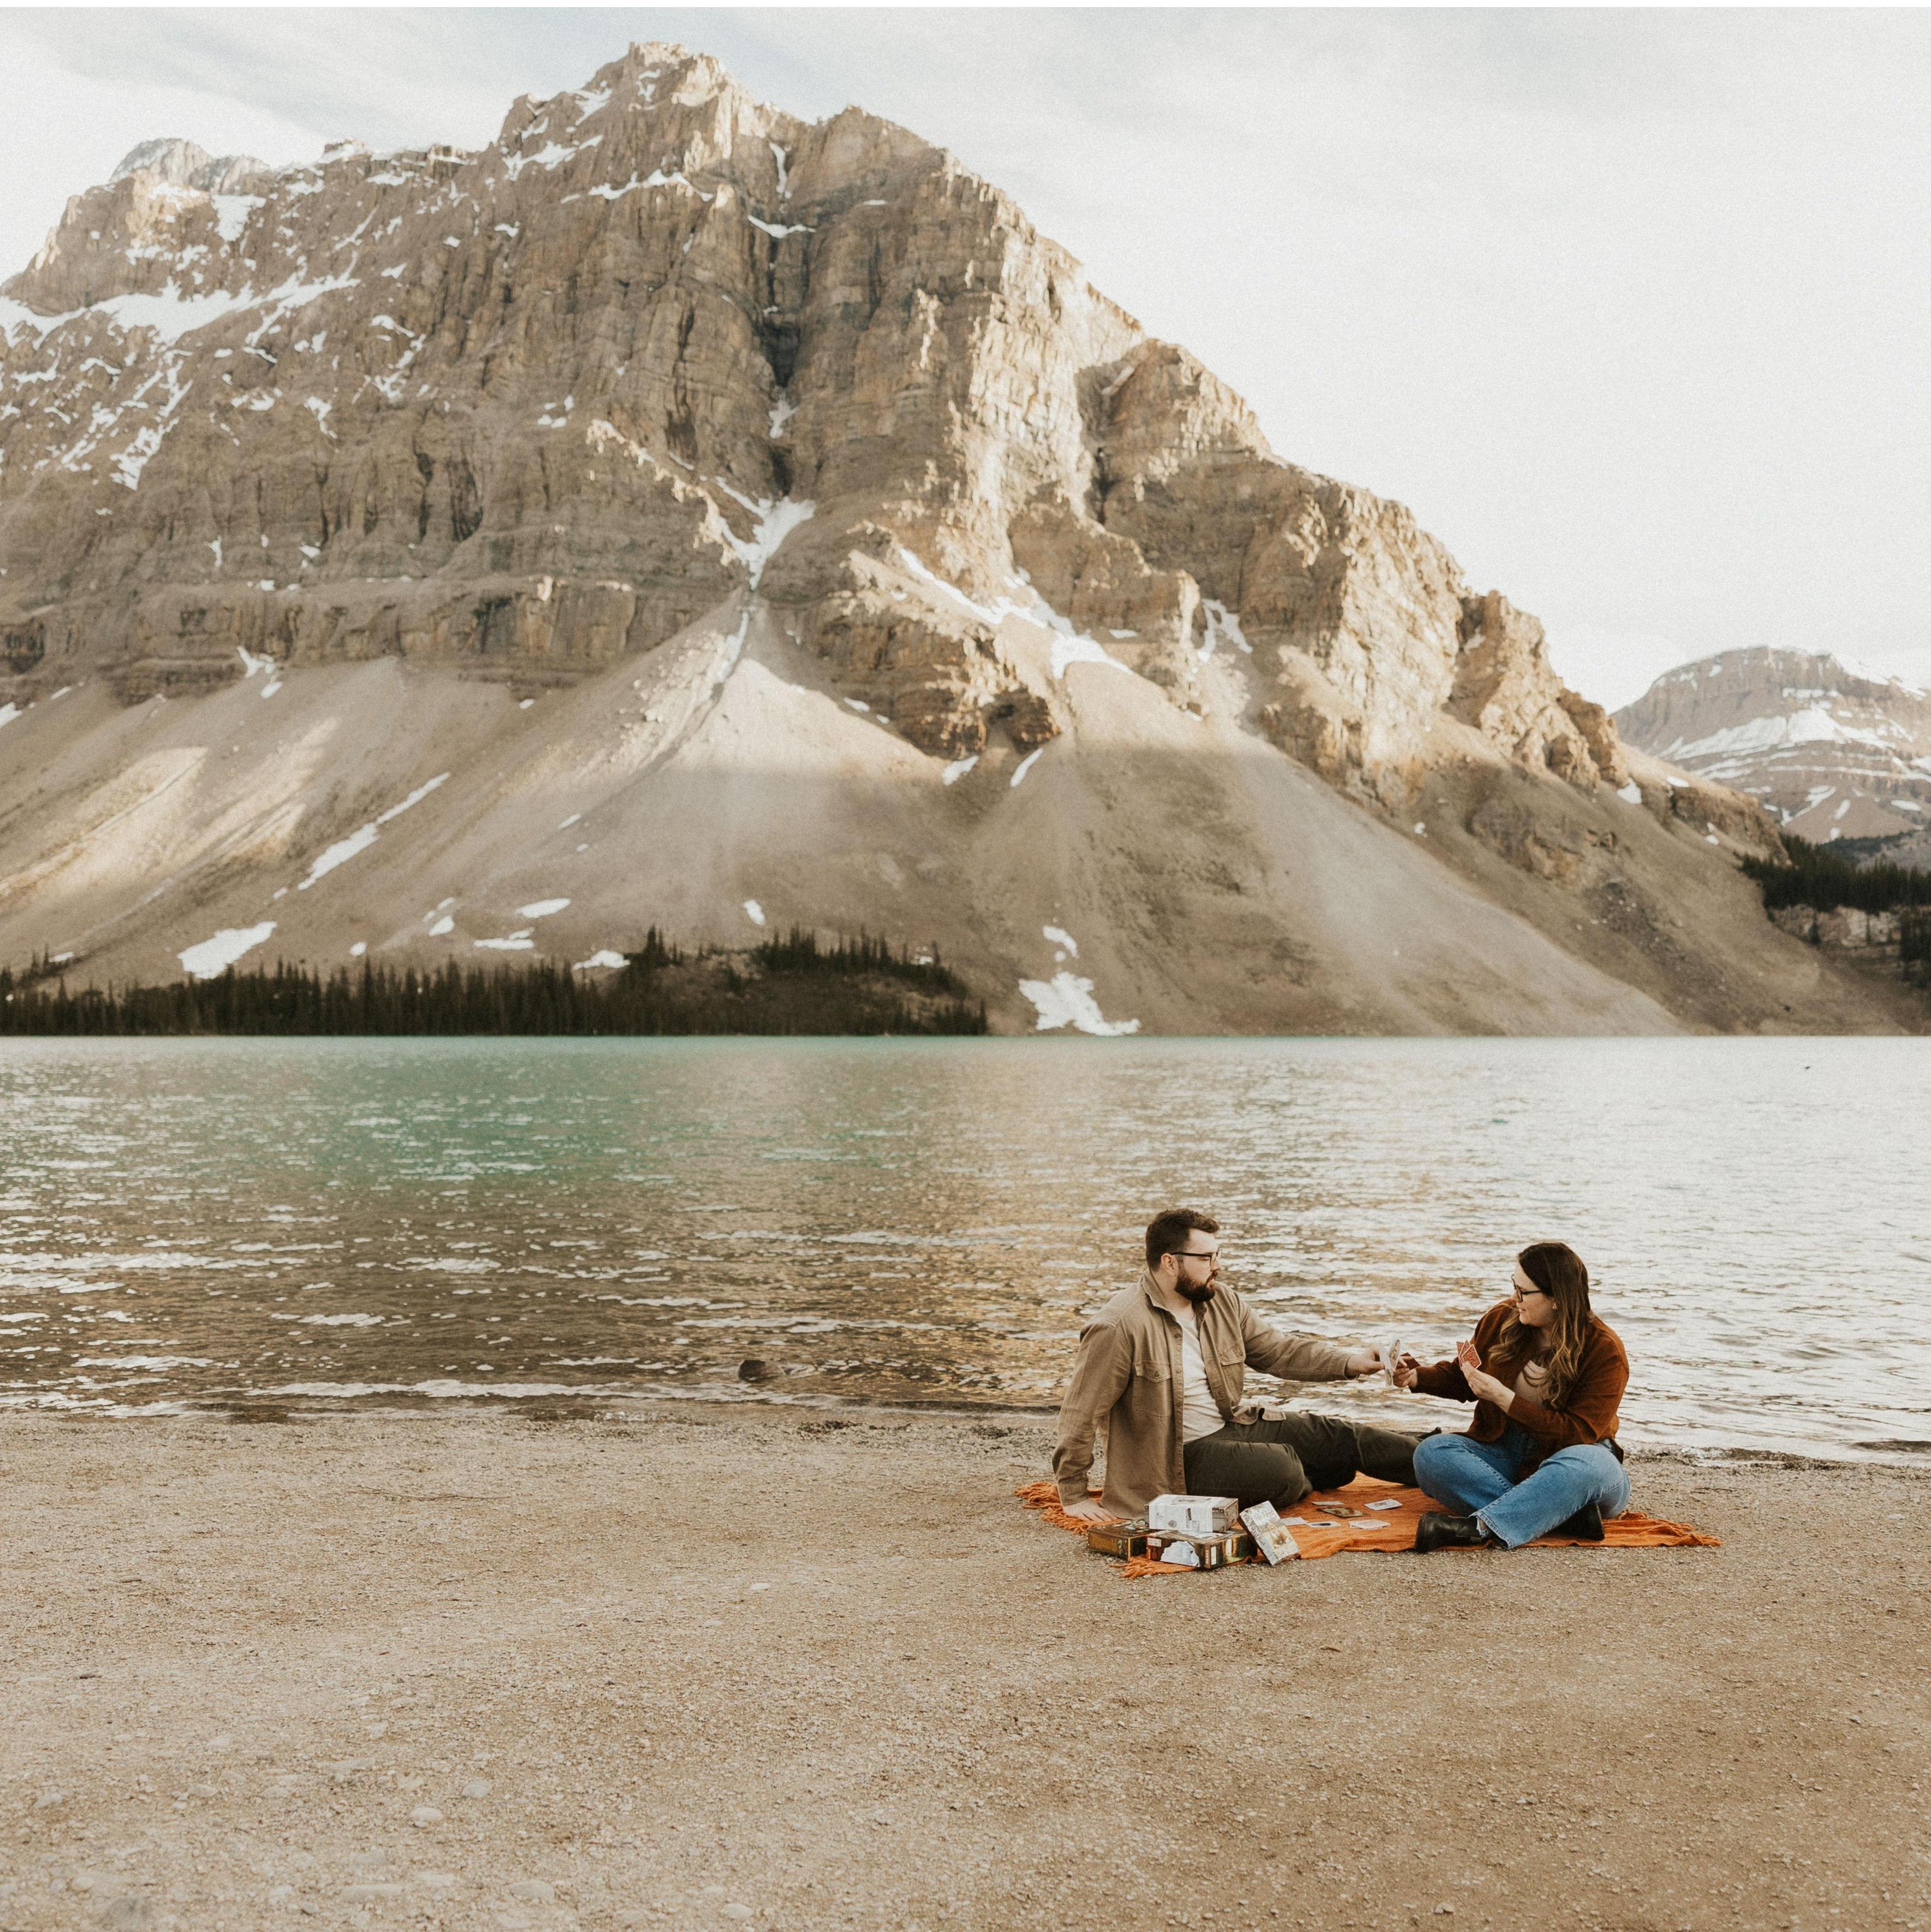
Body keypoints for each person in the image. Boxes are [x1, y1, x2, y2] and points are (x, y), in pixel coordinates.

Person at [1054, 1207, 1421, 1522]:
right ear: (1169, 1262)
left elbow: (1278, 1350)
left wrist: (1352, 1362)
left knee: (1341, 1436)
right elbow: (1080, 1413)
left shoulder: (1220, 1300)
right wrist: (1074, 1495)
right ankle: (1315, 1469)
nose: (1218, 1266)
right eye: (1206, 1258)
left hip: (1233, 1423)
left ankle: (1443, 1463)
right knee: (1284, 1471)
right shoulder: (1118, 1326)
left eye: (1217, 1255)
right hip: (1176, 1461)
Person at [1397, 1241, 1630, 1553]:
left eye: (1523, 1292)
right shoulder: (1503, 1318)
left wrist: (1505, 1399)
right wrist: (1417, 1376)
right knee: (1432, 1453)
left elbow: (1578, 1434)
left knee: (1591, 1464)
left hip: (1570, 1459)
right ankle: (1556, 1514)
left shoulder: (1604, 1350)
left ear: (1557, 1299)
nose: (1514, 1298)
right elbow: (1465, 1377)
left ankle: (1479, 1527)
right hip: (1505, 1450)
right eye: (1513, 1286)